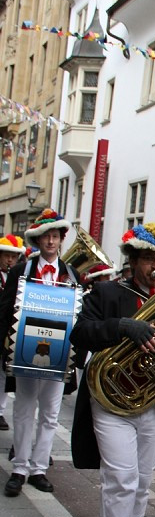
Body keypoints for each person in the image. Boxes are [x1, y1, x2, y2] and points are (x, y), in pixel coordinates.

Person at [70, 223, 155, 517]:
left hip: (154, 399)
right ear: (132, 260)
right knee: (120, 481)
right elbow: (80, 333)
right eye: (148, 258)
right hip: (111, 400)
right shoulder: (107, 291)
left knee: (142, 483)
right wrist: (121, 327)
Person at [0, 210, 79, 497]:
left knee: (50, 414)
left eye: (55, 236)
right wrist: (6, 348)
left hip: (57, 355)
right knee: (23, 411)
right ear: (38, 239)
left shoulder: (72, 274)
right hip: (24, 351)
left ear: (61, 239)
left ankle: (38, 468)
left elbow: (77, 318)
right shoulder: (20, 270)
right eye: (46, 236)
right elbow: (6, 309)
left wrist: (73, 353)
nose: (50, 240)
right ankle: (19, 467)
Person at [0, 234, 26, 431]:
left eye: (13, 257)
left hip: (9, 331)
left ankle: (0, 411)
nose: (10, 260)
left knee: (3, 374)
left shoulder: (20, 277)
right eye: (6, 256)